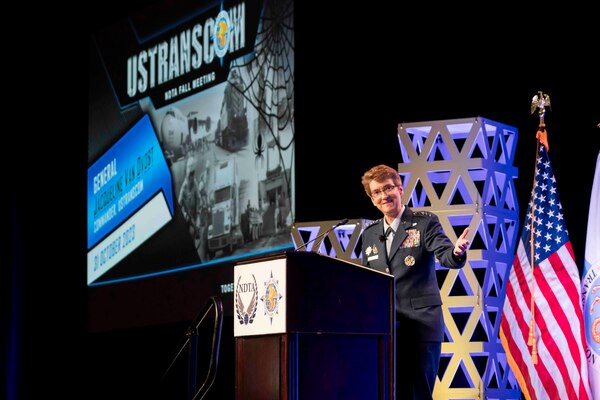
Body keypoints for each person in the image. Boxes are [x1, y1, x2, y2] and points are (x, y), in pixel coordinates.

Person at [360, 164, 470, 400]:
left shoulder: (423, 223)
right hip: (385, 328)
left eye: (388, 188)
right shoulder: (369, 233)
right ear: (371, 199)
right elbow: (365, 280)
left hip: (420, 326)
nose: (383, 196)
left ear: (400, 188)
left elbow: (446, 254)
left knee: (417, 393)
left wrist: (457, 252)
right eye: (376, 192)